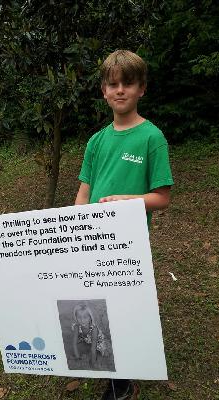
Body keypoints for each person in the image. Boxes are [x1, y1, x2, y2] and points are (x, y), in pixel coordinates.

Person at [75, 50, 174, 400]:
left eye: (128, 83)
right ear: (103, 90)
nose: (120, 90)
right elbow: (84, 191)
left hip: (128, 247)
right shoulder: (96, 141)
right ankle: (105, 363)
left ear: (141, 89)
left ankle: (122, 383)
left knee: (124, 311)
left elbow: (162, 197)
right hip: (93, 241)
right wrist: (76, 227)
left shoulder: (152, 138)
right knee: (98, 307)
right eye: (112, 84)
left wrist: (129, 201)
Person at [72, 303, 107, 369]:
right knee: (81, 347)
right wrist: (78, 357)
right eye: (79, 317)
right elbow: (74, 344)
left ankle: (97, 357)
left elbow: (93, 348)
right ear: (76, 317)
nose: (82, 320)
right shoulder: (76, 326)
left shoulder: (94, 329)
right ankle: (85, 346)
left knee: (98, 354)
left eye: (85, 317)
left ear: (90, 318)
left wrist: (93, 363)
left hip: (98, 342)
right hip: (87, 339)